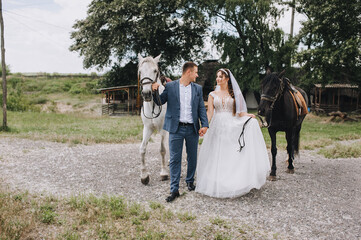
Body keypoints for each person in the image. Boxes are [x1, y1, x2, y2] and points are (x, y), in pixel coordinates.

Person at [195, 68, 270, 198]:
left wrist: (248, 116)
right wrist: (205, 126)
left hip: (231, 123)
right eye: (217, 76)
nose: (218, 79)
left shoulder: (235, 94)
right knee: (217, 153)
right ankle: (216, 182)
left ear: (227, 79)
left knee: (231, 152)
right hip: (217, 125)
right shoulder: (212, 95)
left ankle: (234, 181)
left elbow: (239, 112)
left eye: (221, 77)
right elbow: (210, 113)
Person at [152, 62, 209, 202]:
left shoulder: (197, 89)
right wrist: (154, 91)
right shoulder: (171, 86)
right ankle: (174, 189)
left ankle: (190, 181)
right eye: (195, 72)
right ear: (188, 72)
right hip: (175, 129)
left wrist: (205, 124)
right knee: (175, 159)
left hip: (192, 128)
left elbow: (201, 107)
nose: (197, 75)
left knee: (192, 157)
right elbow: (160, 102)